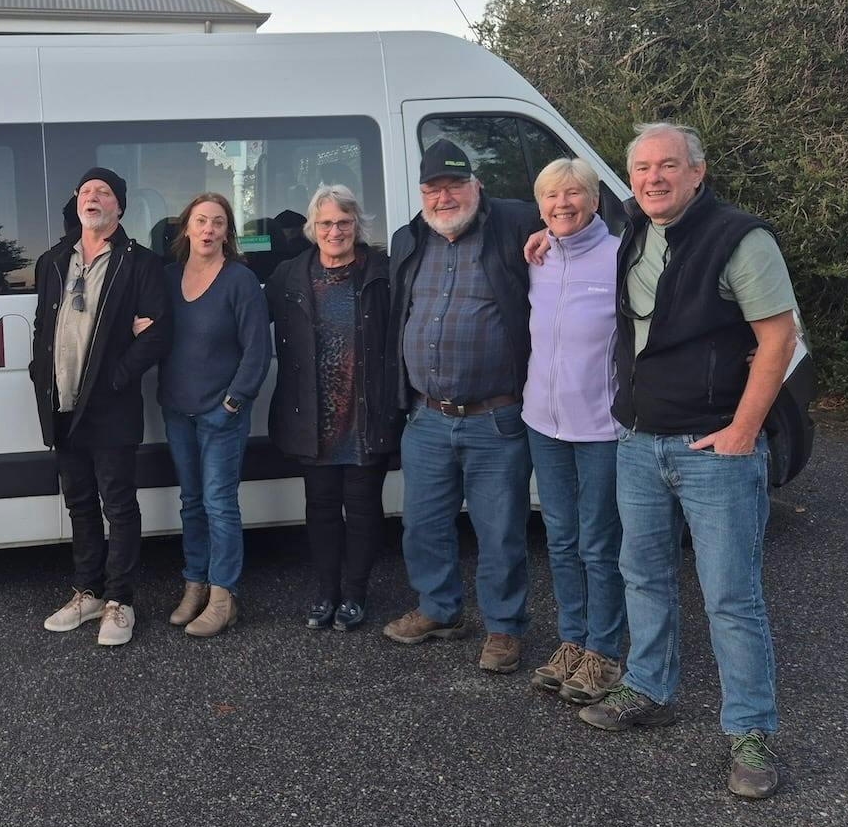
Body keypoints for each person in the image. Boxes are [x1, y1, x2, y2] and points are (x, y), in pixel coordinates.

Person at [576, 123, 798, 801]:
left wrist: (742, 431)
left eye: (668, 165)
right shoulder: (635, 230)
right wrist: (537, 235)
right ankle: (648, 687)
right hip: (639, 443)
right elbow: (555, 211)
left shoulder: (740, 237)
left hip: (712, 452)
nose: (652, 178)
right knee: (643, 576)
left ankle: (751, 733)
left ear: (698, 172)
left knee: (730, 596)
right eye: (641, 167)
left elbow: (779, 335)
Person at [381, 139, 543, 673]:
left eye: (453, 185)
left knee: (499, 531)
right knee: (422, 525)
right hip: (426, 416)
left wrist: (553, 235)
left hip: (495, 417)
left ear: (474, 185)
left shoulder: (518, 223)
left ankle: (503, 628)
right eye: (433, 188)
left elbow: (584, 217)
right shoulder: (410, 240)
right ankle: (439, 610)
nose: (443, 197)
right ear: (422, 193)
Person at [31, 167, 172, 646]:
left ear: (119, 206)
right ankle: (87, 591)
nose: (92, 198)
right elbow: (40, 331)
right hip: (62, 405)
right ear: (76, 202)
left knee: (118, 505)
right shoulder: (52, 260)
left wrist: (116, 376)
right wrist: (40, 376)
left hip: (110, 407)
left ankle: (120, 600)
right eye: (86, 191)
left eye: (103, 192)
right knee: (80, 504)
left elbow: (156, 333)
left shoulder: (141, 264)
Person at [266, 184, 400, 630]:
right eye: (325, 223)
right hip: (312, 415)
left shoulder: (381, 270)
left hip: (365, 413)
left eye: (344, 222)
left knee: (362, 509)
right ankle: (327, 594)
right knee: (321, 508)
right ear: (312, 228)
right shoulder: (289, 275)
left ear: (356, 225)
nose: (335, 231)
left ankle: (355, 595)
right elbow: (245, 317)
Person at [521, 158, 626, 705]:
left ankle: (604, 653)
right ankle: (571, 641)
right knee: (561, 541)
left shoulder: (619, 257)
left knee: (599, 542)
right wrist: (542, 237)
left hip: (602, 426)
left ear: (594, 199)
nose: (562, 204)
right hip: (543, 422)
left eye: (573, 194)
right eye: (551, 197)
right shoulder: (537, 256)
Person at [159, 193, 270, 638]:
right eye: (201, 221)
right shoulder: (167, 278)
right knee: (191, 502)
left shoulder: (240, 281)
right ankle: (195, 583)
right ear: (186, 227)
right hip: (177, 411)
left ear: (228, 233)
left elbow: (257, 350)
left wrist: (233, 402)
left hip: (221, 413)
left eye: (218, 223)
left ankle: (224, 597)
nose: (208, 230)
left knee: (220, 504)